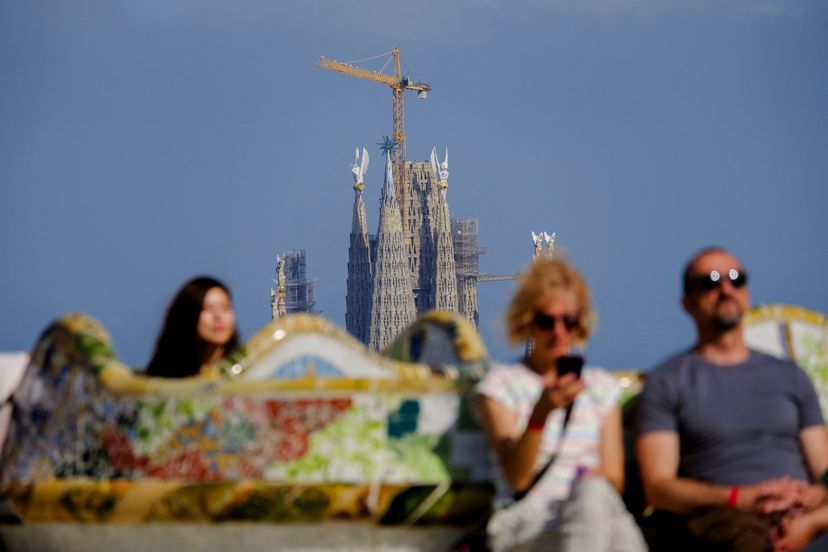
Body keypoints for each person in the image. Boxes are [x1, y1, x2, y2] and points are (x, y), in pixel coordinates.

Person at [635, 247, 828, 551]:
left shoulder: (791, 376)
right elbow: (658, 488)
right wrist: (739, 497)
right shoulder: (667, 382)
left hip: (807, 515)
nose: (726, 288)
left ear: (747, 293)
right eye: (710, 281)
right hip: (724, 521)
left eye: (736, 279)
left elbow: (824, 467)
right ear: (688, 303)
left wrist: (815, 507)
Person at [475, 257, 645, 551]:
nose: (558, 331)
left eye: (569, 320)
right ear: (526, 322)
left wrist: (581, 486)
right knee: (612, 522)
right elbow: (518, 477)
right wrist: (540, 414)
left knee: (595, 498)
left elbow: (613, 478)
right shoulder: (500, 387)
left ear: (581, 324)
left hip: (591, 513)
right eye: (546, 321)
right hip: (527, 520)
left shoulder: (600, 388)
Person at [146, 276, 240, 378]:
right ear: (188, 316)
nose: (218, 316)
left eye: (225, 307)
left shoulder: (245, 370)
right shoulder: (164, 377)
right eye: (207, 308)